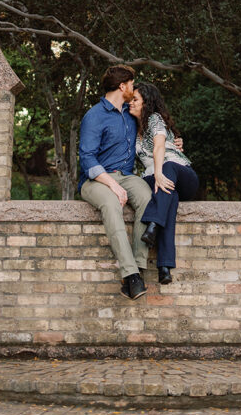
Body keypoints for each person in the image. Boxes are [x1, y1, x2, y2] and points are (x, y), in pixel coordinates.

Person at [78, 64, 152, 300]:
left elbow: (156, 134)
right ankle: (130, 275)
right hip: (96, 180)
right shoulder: (94, 116)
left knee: (147, 197)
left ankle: (139, 267)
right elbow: (87, 158)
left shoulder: (132, 114)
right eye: (132, 84)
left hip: (127, 176)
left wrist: (175, 143)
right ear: (123, 86)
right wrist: (113, 184)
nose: (134, 88)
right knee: (111, 204)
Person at [129, 81, 199, 285]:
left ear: (147, 102)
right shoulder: (134, 128)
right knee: (170, 196)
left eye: (135, 100)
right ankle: (165, 267)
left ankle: (153, 224)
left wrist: (159, 172)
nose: (130, 103)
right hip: (163, 185)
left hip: (181, 174)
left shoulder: (154, 119)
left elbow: (159, 147)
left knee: (167, 169)